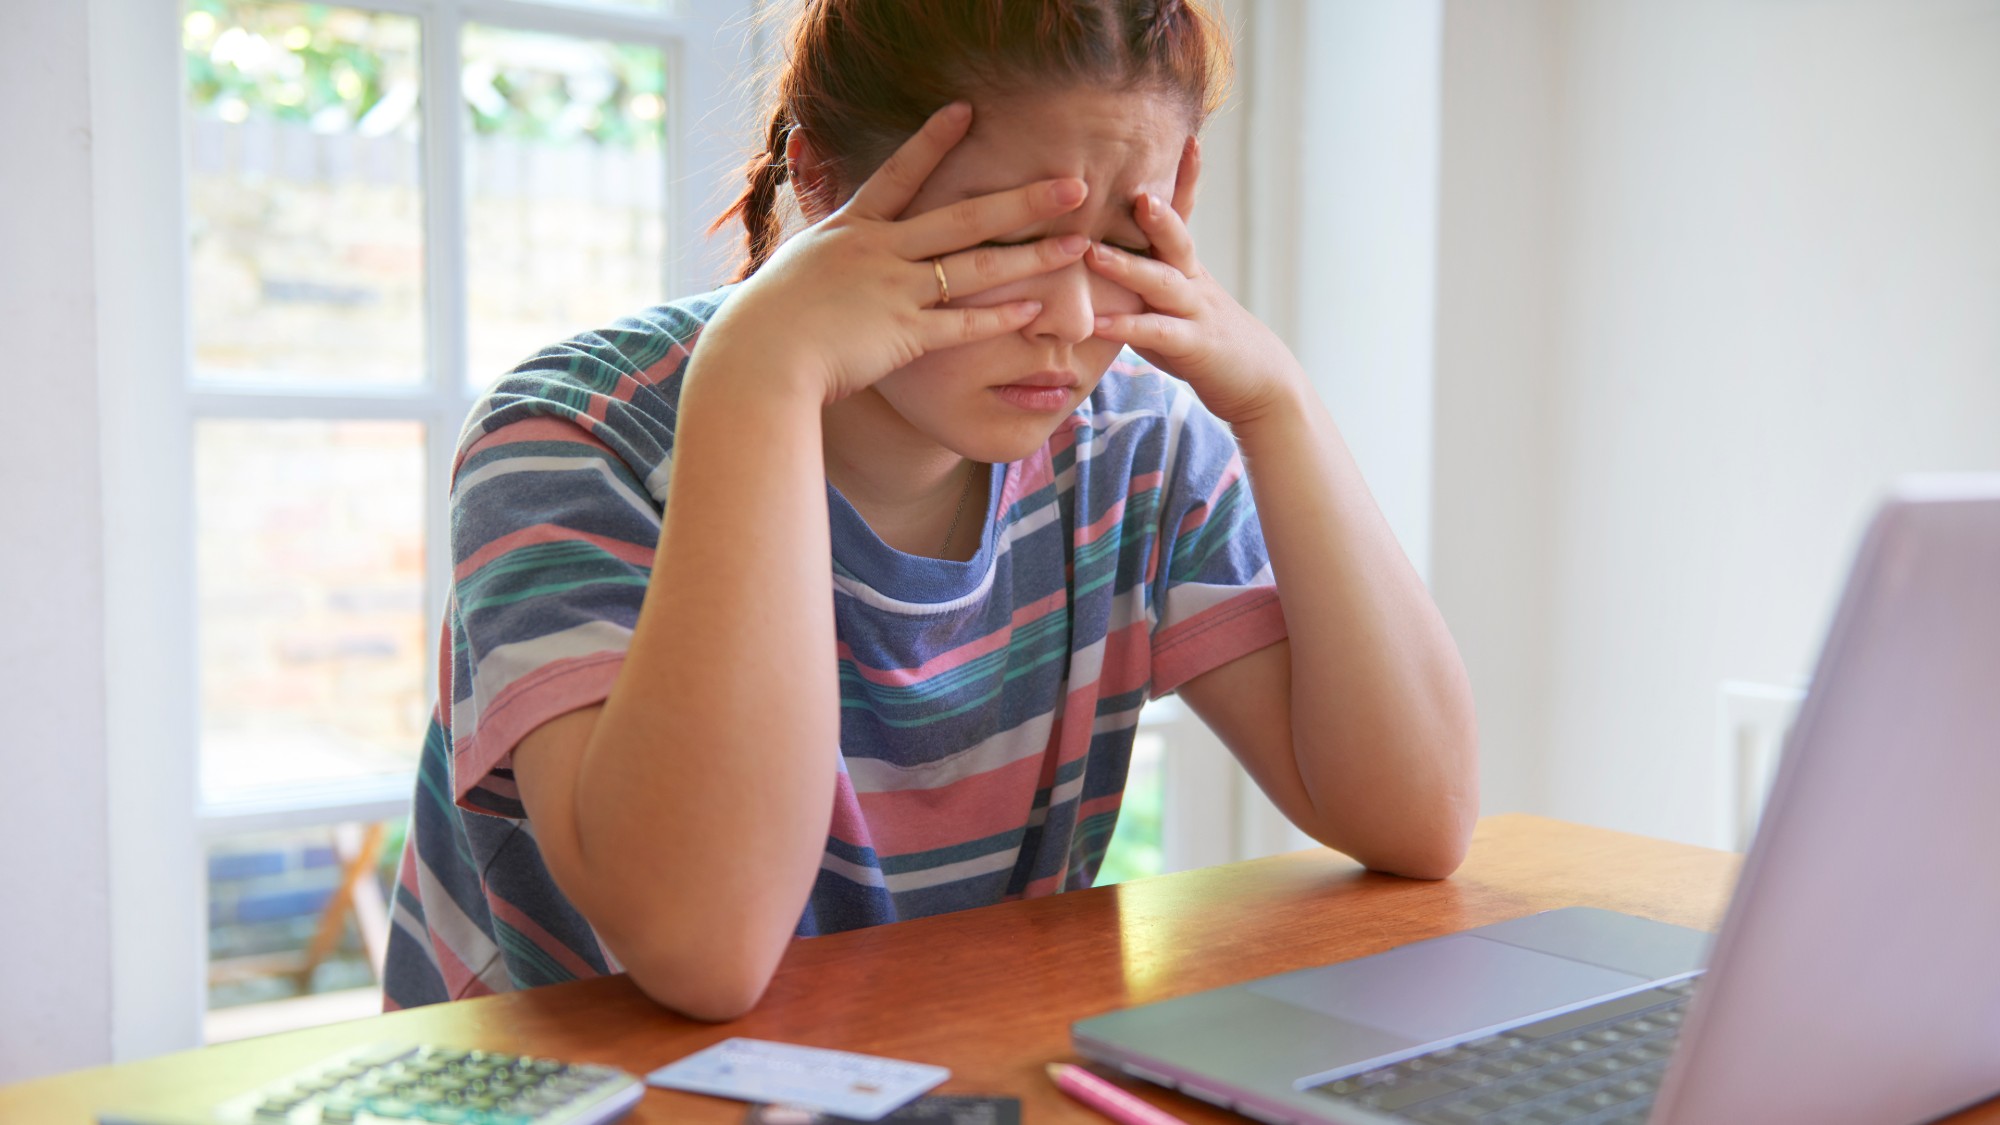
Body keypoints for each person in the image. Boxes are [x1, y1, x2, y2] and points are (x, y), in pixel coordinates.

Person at [383, 0, 1478, 1022]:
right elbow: (702, 950)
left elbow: (1416, 820)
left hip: (923, 1055)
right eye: (1002, 242)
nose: (1069, 317)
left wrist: (1274, 403)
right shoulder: (571, 440)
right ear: (817, 180)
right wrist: (760, 374)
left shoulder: (1131, 445)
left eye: (1124, 246)